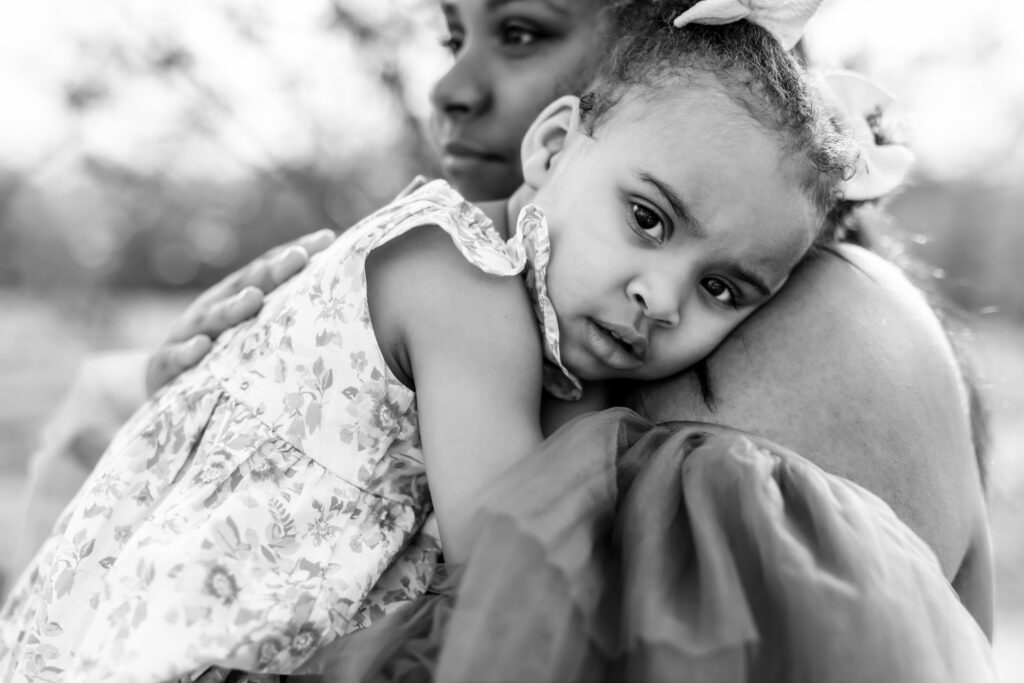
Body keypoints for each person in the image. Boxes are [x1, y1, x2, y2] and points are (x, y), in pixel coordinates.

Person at [0, 7, 858, 681]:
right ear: (553, 148)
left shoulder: (529, 304)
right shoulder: (463, 282)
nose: (662, 299)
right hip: (185, 653)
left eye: (722, 289)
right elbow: (504, 555)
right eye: (647, 218)